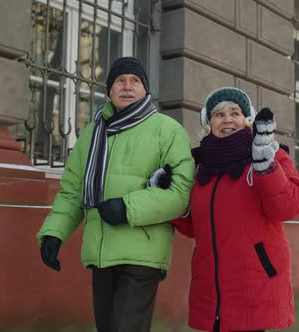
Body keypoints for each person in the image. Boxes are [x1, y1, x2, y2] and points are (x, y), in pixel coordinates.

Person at [36, 56, 195, 332]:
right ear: (109, 90)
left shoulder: (168, 131)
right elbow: (73, 190)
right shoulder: (92, 134)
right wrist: (54, 232)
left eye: (135, 81)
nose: (127, 86)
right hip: (101, 252)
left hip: (142, 252)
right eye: (120, 81)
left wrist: (127, 208)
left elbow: (181, 193)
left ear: (145, 90)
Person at [170, 87, 299, 332]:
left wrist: (266, 167)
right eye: (218, 114)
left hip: (255, 282)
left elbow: (289, 206)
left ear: (247, 121)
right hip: (212, 288)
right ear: (208, 123)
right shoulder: (199, 167)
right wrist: (170, 199)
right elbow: (195, 227)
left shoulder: (272, 155)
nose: (228, 119)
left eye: (235, 112)